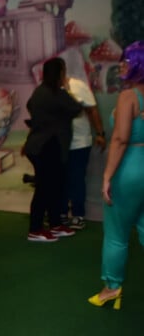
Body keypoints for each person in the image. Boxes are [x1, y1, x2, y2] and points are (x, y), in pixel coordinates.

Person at [88, 41, 144, 310]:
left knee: (116, 234)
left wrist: (108, 175)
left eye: (127, 60)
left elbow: (120, 138)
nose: (122, 64)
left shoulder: (129, 96)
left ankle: (112, 288)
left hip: (130, 168)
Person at [22, 57, 83, 242]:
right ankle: (36, 229)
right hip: (48, 146)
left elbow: (30, 106)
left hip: (40, 145)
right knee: (45, 188)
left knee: (54, 187)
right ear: (59, 73)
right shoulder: (56, 93)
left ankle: (55, 224)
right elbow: (76, 108)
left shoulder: (40, 91)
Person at [60, 75, 107, 230]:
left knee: (77, 179)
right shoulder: (49, 88)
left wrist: (100, 133)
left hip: (79, 142)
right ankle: (61, 213)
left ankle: (78, 214)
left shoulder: (78, 85)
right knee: (61, 179)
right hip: (58, 143)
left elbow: (92, 110)